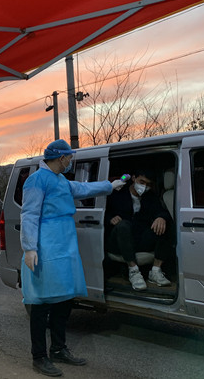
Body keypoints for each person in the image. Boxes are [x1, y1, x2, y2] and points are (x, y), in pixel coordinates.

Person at [21, 139, 126, 377]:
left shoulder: (61, 181)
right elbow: (29, 214)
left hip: (65, 244)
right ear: (61, 158)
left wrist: (111, 186)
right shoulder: (36, 180)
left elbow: (84, 189)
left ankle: (58, 348)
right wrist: (29, 248)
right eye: (69, 157)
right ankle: (39, 356)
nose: (70, 161)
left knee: (64, 298)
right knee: (41, 301)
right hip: (46, 245)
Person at [105, 169, 173, 291]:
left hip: (139, 238)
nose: (144, 187)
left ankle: (155, 270)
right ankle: (133, 271)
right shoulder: (118, 193)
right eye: (142, 182)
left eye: (148, 184)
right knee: (123, 225)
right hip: (118, 240)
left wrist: (161, 217)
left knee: (165, 223)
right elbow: (102, 212)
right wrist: (110, 218)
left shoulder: (150, 197)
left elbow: (161, 211)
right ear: (133, 179)